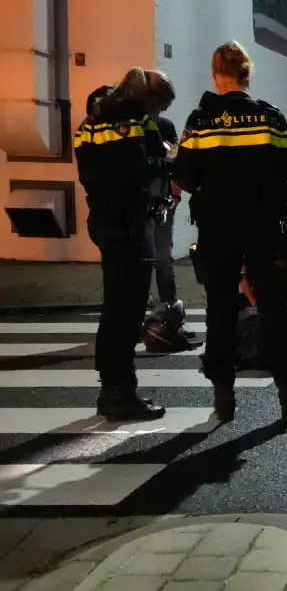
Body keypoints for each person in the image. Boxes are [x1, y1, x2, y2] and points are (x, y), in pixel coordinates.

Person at [174, 40, 287, 425]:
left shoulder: (199, 121)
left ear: (216, 76)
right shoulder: (270, 117)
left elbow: (183, 176)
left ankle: (224, 399)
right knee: (272, 308)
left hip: (216, 229)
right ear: (247, 75)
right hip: (263, 226)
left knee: (220, 310)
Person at [74, 68, 176, 421]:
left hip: (102, 219)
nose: (158, 116)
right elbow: (139, 170)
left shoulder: (92, 120)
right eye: (159, 107)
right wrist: (165, 160)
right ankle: (120, 393)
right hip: (129, 225)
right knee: (126, 312)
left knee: (114, 308)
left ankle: (112, 389)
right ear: (148, 99)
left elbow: (92, 171)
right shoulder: (130, 121)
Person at [146, 116, 194, 338]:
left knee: (163, 257)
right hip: (138, 202)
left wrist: (175, 193)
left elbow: (176, 160)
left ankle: (172, 312)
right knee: (141, 261)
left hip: (161, 201)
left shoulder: (163, 125)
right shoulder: (127, 124)